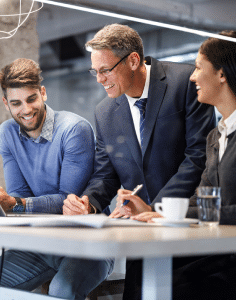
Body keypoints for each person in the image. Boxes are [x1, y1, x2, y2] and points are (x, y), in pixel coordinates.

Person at [63, 23, 216, 300]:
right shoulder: (105, 112)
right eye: (94, 71)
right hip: (140, 240)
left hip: (187, 232)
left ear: (133, 60)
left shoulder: (185, 81)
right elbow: (105, 175)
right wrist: (88, 203)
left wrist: (155, 209)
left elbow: (198, 155)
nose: (99, 79)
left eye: (105, 70)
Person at [132, 30, 236, 299]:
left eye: (199, 68)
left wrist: (183, 215)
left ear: (222, 74)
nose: (192, 76)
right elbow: (202, 198)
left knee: (172, 286)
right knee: (145, 276)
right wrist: (158, 211)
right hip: (221, 252)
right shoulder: (215, 135)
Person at [0, 58, 113, 300]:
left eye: (31, 99)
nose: (26, 110)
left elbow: (66, 201)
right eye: (16, 103)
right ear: (5, 103)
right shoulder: (8, 132)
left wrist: (15, 203)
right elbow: (20, 194)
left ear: (43, 93)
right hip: (39, 243)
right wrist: (4, 202)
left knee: (62, 290)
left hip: (87, 243)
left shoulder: (74, 129)